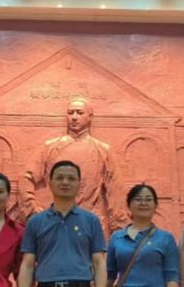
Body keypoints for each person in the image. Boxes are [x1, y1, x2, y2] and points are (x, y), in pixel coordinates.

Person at [20, 97, 125, 234]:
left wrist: (118, 230)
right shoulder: (50, 147)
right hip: (55, 223)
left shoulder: (103, 150)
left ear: (90, 116)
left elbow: (116, 192)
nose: (74, 117)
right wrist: (31, 210)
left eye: (79, 113)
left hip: (92, 225)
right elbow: (26, 177)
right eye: (70, 113)